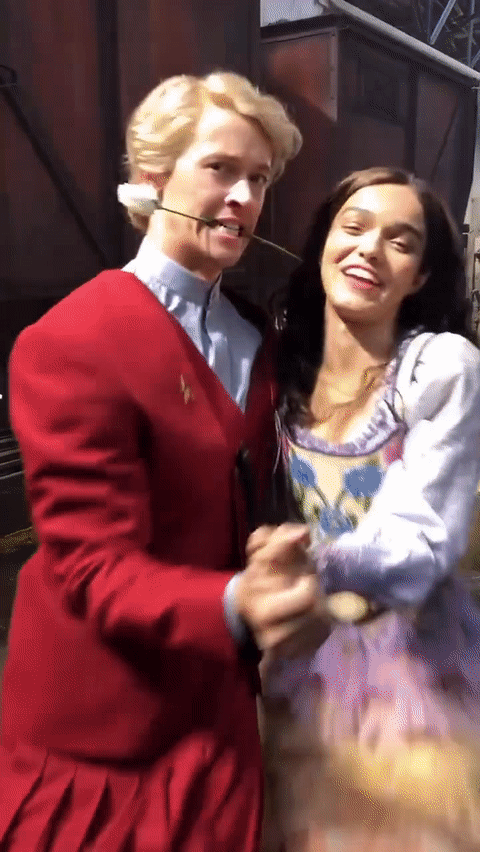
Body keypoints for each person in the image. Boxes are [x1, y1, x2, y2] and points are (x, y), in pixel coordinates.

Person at [0, 70, 316, 852]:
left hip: (216, 710)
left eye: (259, 179)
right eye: (220, 169)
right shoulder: (71, 341)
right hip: (107, 733)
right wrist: (239, 602)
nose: (243, 197)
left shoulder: (255, 335)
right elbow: (90, 566)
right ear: (153, 178)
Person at [253, 167, 480, 852]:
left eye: (400, 241)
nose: (370, 249)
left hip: (413, 673)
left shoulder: (439, 367)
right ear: (323, 242)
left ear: (420, 276)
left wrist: (304, 565)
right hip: (299, 666)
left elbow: (421, 540)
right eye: (352, 227)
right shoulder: (280, 368)